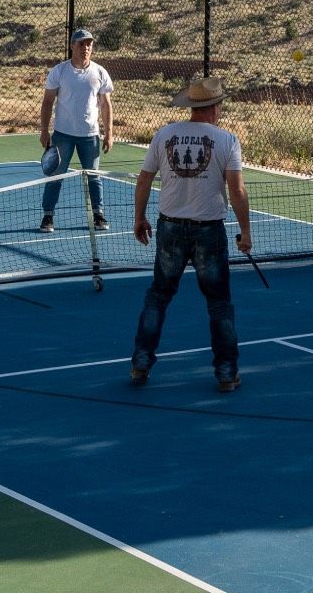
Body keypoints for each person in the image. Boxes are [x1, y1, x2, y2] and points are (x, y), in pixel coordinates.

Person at [129, 75, 252, 393]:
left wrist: (139, 217)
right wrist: (245, 231)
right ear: (215, 106)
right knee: (219, 304)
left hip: (169, 226)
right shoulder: (227, 140)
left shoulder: (165, 134)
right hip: (208, 230)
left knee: (158, 297)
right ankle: (226, 372)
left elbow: (144, 180)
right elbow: (237, 190)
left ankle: (141, 362)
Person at [39, 27, 115, 231]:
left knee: (94, 176)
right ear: (72, 45)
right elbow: (47, 102)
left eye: (89, 44)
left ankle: (98, 215)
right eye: (81, 43)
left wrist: (109, 133)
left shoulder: (100, 72)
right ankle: (48, 216)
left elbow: (106, 104)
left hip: (90, 136)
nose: (86, 48)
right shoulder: (59, 71)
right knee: (56, 175)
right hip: (62, 135)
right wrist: (44, 131)